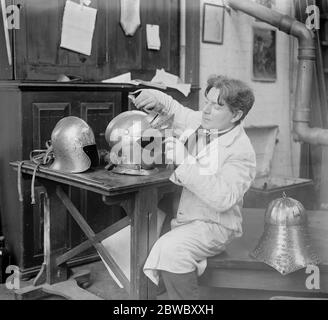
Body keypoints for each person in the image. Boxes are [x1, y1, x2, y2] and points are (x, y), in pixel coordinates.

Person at [134, 75, 257, 300]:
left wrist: (185, 161)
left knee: (172, 250)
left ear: (236, 115)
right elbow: (176, 111)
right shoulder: (206, 122)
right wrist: (154, 96)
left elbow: (224, 198)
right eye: (207, 102)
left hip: (214, 224)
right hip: (185, 213)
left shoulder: (241, 151)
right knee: (137, 236)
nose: (207, 110)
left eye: (217, 106)